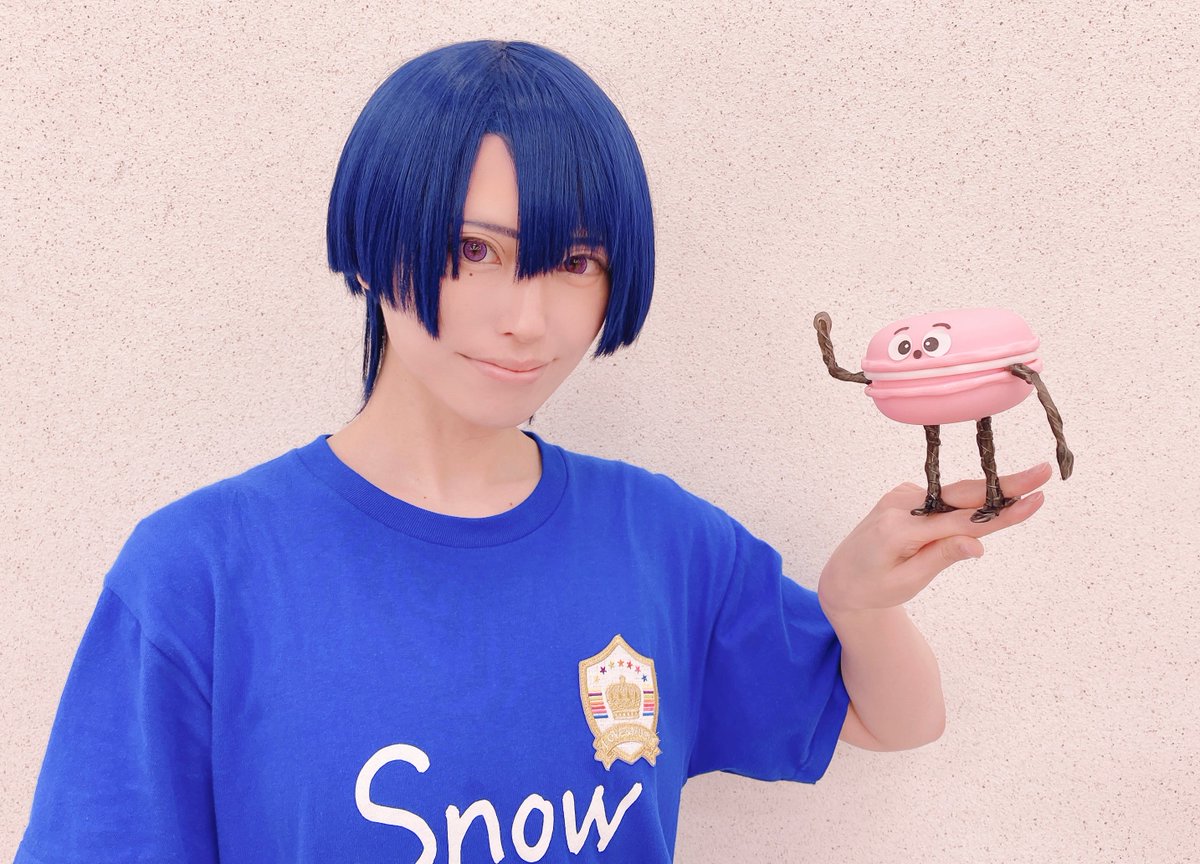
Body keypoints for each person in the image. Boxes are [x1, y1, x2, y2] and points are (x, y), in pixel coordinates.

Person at [14, 40, 1052, 864]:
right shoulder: (202, 571)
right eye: (474, 251)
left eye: (576, 262)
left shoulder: (660, 540)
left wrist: (859, 606)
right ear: (373, 244)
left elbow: (893, 721)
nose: (528, 318)